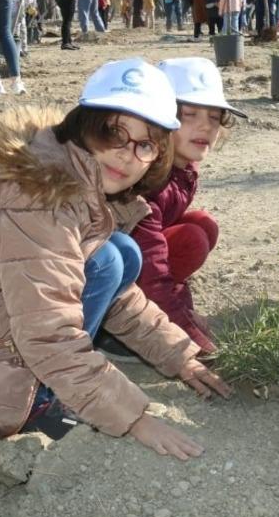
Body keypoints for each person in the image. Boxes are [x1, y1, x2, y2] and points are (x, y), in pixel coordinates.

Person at [0, 58, 231, 490]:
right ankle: (39, 404)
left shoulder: (68, 177)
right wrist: (134, 420)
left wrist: (178, 354)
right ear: (82, 126)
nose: (126, 154)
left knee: (115, 255)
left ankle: (45, 393)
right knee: (111, 260)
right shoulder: (40, 200)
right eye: (112, 133)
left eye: (145, 145)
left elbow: (117, 296)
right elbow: (50, 333)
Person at [106, 57, 247, 356]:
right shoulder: (147, 181)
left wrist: (184, 307)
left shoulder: (182, 167)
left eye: (214, 116)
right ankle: (121, 333)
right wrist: (190, 340)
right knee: (191, 239)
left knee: (202, 225)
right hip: (105, 274)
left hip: (139, 253)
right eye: (189, 114)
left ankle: (165, 313)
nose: (204, 126)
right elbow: (154, 271)